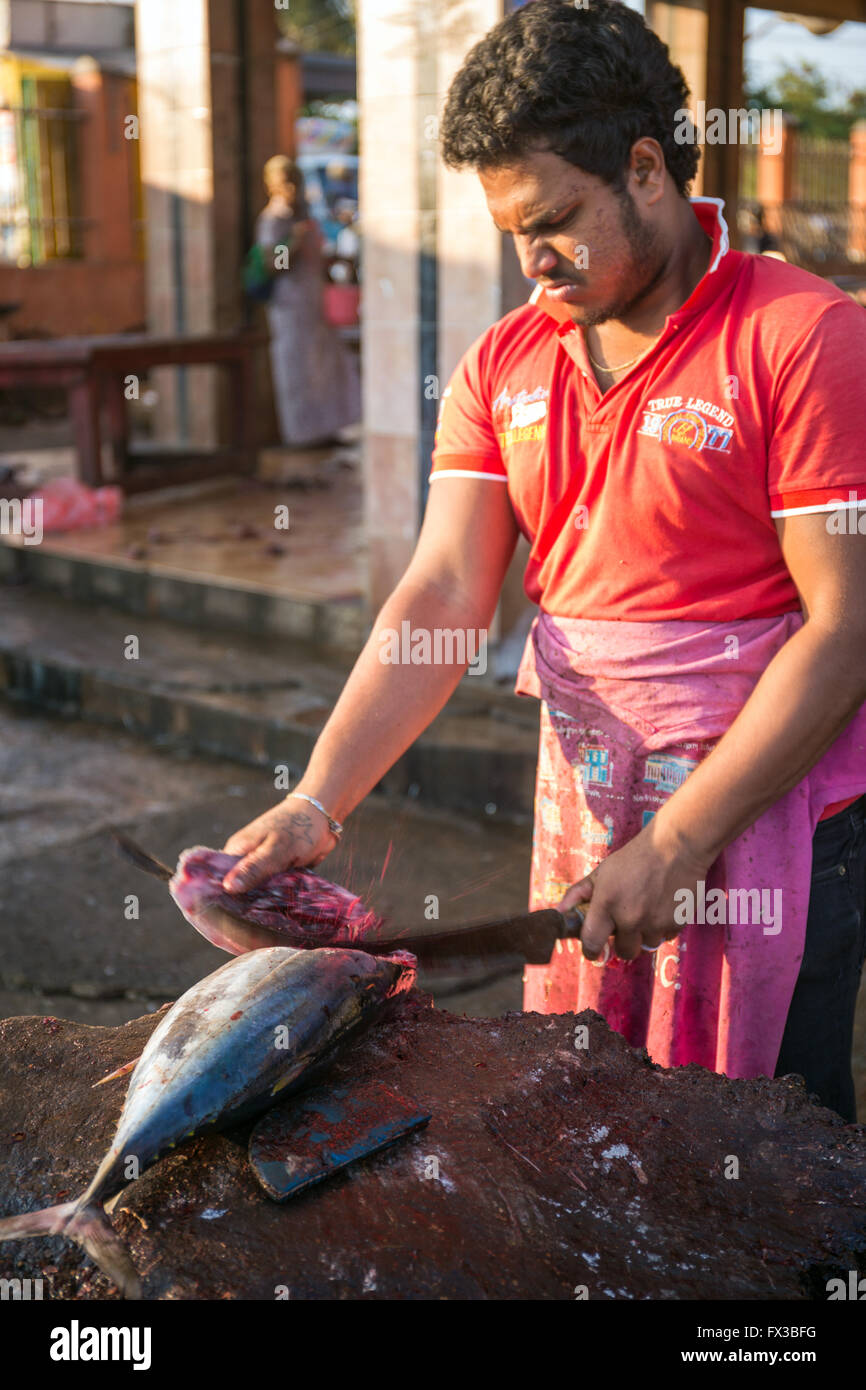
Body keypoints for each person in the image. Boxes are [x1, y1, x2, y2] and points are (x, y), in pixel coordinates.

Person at [224, 2, 866, 1120]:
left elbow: (846, 626)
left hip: (778, 824)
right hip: (585, 805)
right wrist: (318, 802)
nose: (532, 260)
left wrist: (678, 839)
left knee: (768, 1149)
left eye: (557, 219)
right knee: (590, 1126)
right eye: (510, 229)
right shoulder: (502, 364)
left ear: (646, 168)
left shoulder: (801, 337)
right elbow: (439, 593)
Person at [255, 155, 360, 448]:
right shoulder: (273, 220)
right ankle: (301, 434)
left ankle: (327, 428)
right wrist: (293, 243)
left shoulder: (303, 217)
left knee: (324, 367)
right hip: (290, 307)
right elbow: (272, 264)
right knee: (296, 370)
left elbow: (318, 259)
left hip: (315, 305)